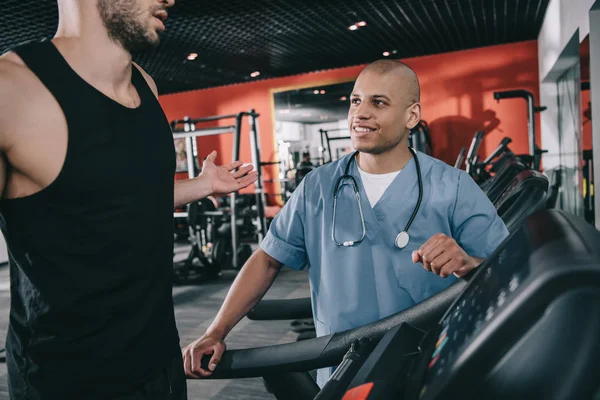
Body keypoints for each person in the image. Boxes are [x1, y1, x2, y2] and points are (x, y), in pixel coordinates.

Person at [182, 59, 510, 387]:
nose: (360, 113)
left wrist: (468, 263)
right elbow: (267, 259)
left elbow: (509, 269)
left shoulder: (453, 186)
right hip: (340, 366)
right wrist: (216, 331)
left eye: (378, 102)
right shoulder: (317, 187)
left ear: (411, 115)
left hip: (426, 367)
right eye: (355, 101)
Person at [0, 0, 257, 399]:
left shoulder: (146, 86)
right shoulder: (11, 91)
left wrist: (202, 186)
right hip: (66, 381)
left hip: (159, 364)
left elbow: (116, 197)